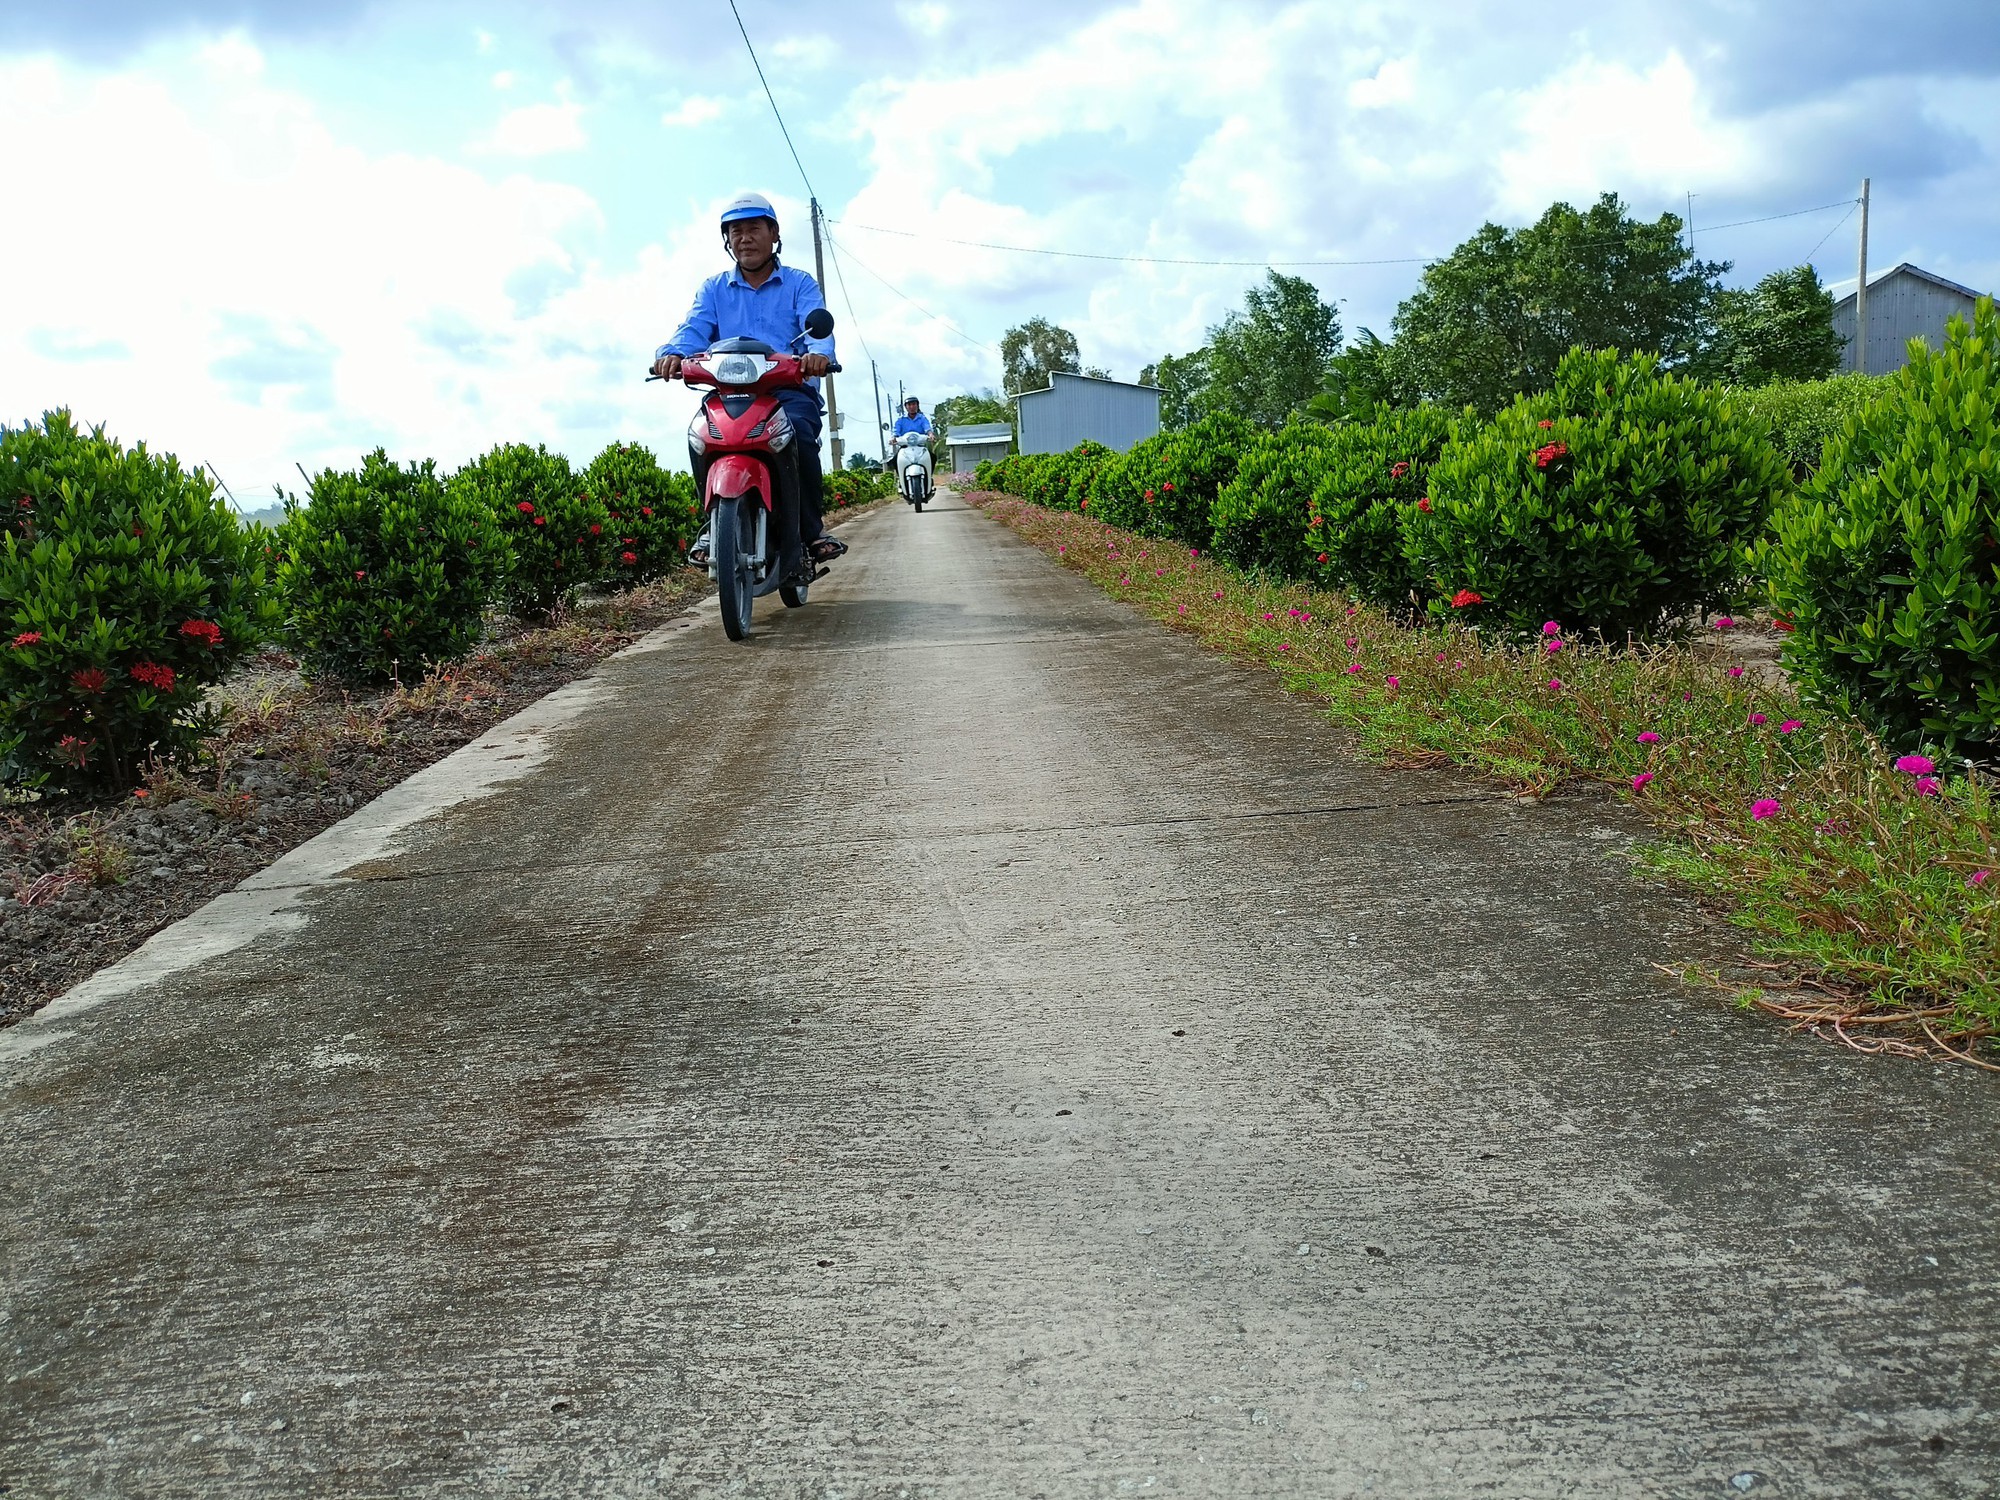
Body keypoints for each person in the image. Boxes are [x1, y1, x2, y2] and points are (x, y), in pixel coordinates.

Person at [652, 192, 846, 566]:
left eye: (754, 229)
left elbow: (817, 328)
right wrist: (672, 354)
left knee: (801, 438)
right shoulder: (713, 289)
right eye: (735, 231)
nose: (745, 238)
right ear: (727, 241)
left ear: (773, 234)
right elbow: (693, 328)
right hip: (728, 393)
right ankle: (712, 525)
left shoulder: (798, 283)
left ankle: (810, 531)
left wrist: (819, 355)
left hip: (787, 390)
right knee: (700, 438)